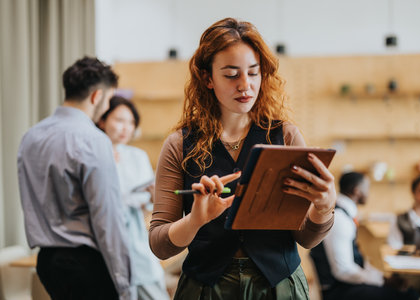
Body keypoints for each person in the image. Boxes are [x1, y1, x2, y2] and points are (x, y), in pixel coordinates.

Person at [149, 17, 337, 299]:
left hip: (278, 286)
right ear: (207, 78)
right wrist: (195, 220)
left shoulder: (284, 136)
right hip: (205, 288)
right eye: (231, 74)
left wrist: (323, 208)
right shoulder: (180, 144)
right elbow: (160, 245)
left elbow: (306, 239)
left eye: (253, 72)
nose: (245, 85)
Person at [17, 57, 134, 300]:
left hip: (47, 262)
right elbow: (107, 219)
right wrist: (124, 285)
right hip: (87, 264)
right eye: (109, 100)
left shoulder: (31, 136)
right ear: (96, 96)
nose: (107, 107)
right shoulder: (93, 140)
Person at [98, 96, 170, 300]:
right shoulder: (94, 156)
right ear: (102, 121)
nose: (126, 128)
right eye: (119, 120)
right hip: (105, 242)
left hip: (136, 239)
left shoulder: (137, 156)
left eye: (131, 123)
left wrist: (154, 196)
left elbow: (148, 205)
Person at [310, 172, 419, 300]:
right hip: (338, 291)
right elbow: (343, 271)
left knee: (407, 291)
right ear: (357, 191)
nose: (369, 192)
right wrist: (382, 281)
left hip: (346, 285)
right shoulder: (340, 219)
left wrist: (382, 278)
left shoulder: (345, 213)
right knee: (409, 296)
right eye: (367, 187)